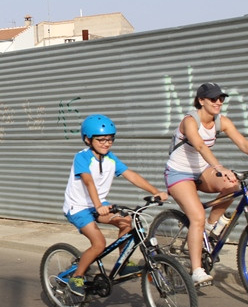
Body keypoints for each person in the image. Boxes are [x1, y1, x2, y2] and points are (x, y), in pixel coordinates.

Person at [164, 82, 248, 287]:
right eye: (213, 99)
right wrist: (220, 167)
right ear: (201, 101)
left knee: (233, 185)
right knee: (196, 217)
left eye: (221, 98)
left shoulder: (222, 121)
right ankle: (196, 270)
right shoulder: (190, 120)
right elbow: (199, 145)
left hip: (203, 171)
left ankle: (212, 226)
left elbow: (243, 143)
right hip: (178, 173)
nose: (218, 102)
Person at [63, 114, 169, 296]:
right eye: (101, 139)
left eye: (110, 139)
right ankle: (77, 277)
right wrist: (98, 206)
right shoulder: (82, 157)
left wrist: (155, 191)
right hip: (78, 207)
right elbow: (88, 182)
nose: (106, 143)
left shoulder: (111, 159)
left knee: (128, 221)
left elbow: (132, 175)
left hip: (98, 204)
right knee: (99, 244)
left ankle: (124, 262)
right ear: (88, 140)